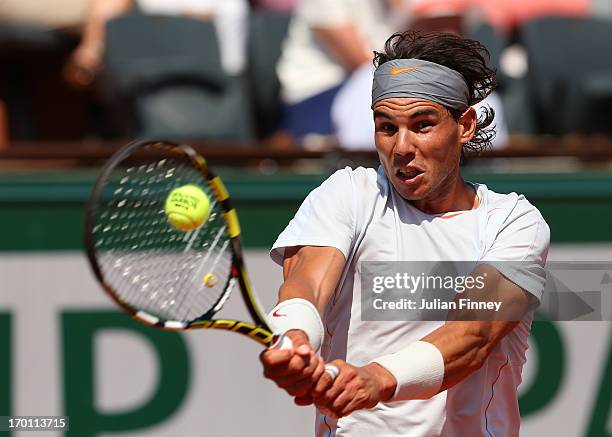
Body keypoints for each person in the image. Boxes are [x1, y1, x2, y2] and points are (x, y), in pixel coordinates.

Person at [260, 31, 550, 436]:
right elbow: (305, 284)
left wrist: (376, 380)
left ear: (465, 125)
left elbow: (473, 334)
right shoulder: (349, 193)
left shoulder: (515, 221)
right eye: (386, 127)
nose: (401, 147)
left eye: (422, 125)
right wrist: (295, 340)